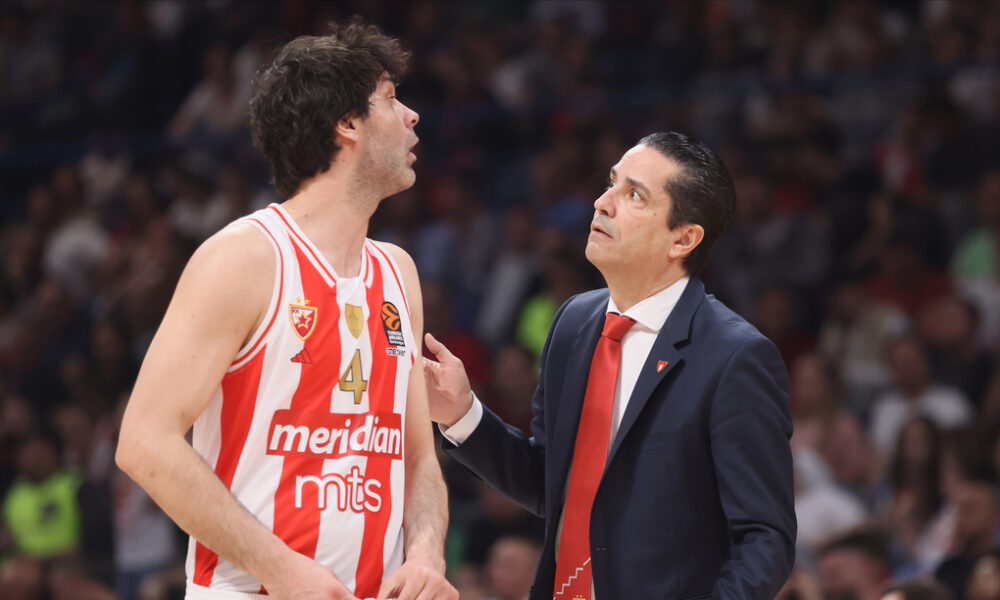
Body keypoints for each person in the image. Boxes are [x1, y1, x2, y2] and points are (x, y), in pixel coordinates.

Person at [115, 21, 457, 600]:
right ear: (346, 125)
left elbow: (418, 455)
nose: (412, 116)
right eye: (392, 98)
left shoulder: (398, 271)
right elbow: (144, 442)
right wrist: (280, 568)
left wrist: (426, 553)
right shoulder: (245, 257)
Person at [424, 131, 796, 599]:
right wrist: (462, 414)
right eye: (611, 184)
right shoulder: (573, 322)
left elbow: (765, 539)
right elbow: (551, 483)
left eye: (634, 195)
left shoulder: (736, 357)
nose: (602, 202)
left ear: (683, 238)